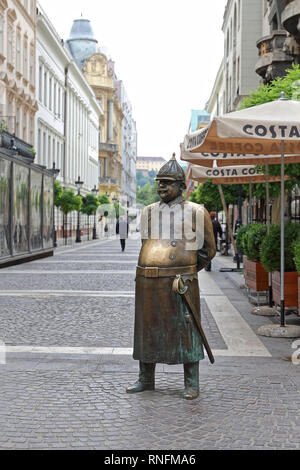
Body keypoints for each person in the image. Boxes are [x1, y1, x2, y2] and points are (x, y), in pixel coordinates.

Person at [126, 154, 216, 400]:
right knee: (147, 328)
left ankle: (191, 382)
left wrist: (186, 272)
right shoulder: (148, 212)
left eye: (167, 182)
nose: (161, 186)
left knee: (186, 329)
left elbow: (209, 250)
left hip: (180, 282)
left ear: (180, 186)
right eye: (159, 182)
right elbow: (147, 242)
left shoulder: (197, 212)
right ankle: (145, 378)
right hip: (148, 281)